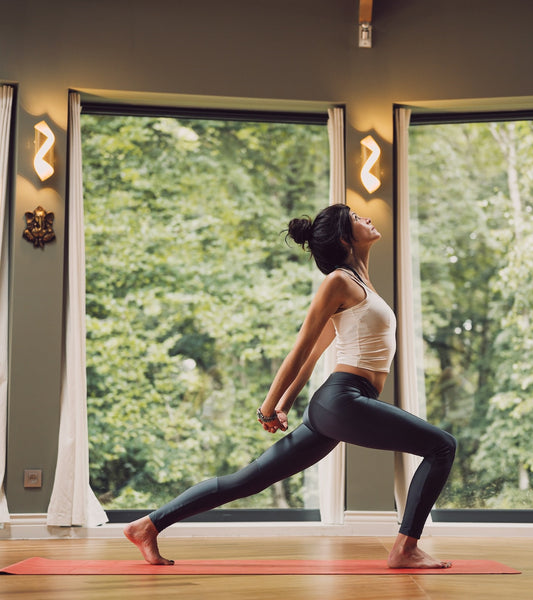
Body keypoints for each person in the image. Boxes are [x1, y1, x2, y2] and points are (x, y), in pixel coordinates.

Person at [124, 203, 456, 569]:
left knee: (247, 480)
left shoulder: (358, 284)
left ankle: (147, 526)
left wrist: (286, 402)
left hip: (339, 404)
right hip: (344, 399)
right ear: (346, 238)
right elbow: (299, 350)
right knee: (441, 446)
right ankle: (405, 549)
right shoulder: (339, 282)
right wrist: (268, 407)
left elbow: (313, 357)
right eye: (358, 219)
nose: (368, 219)